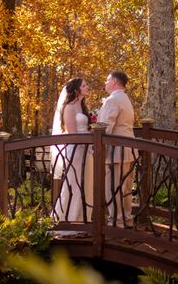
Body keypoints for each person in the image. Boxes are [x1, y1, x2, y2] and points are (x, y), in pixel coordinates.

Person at [51, 77, 94, 222]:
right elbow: (71, 132)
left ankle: (83, 219)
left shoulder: (83, 107)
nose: (87, 87)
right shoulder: (69, 107)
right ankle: (69, 220)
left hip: (86, 150)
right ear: (76, 89)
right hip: (75, 150)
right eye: (84, 85)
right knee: (74, 183)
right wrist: (85, 142)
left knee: (86, 183)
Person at [97, 71, 135, 228]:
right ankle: (126, 219)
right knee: (125, 187)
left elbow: (105, 127)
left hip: (116, 151)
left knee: (113, 187)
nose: (105, 83)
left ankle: (116, 222)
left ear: (114, 81)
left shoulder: (112, 100)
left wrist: (97, 146)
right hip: (129, 149)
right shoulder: (125, 98)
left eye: (107, 80)